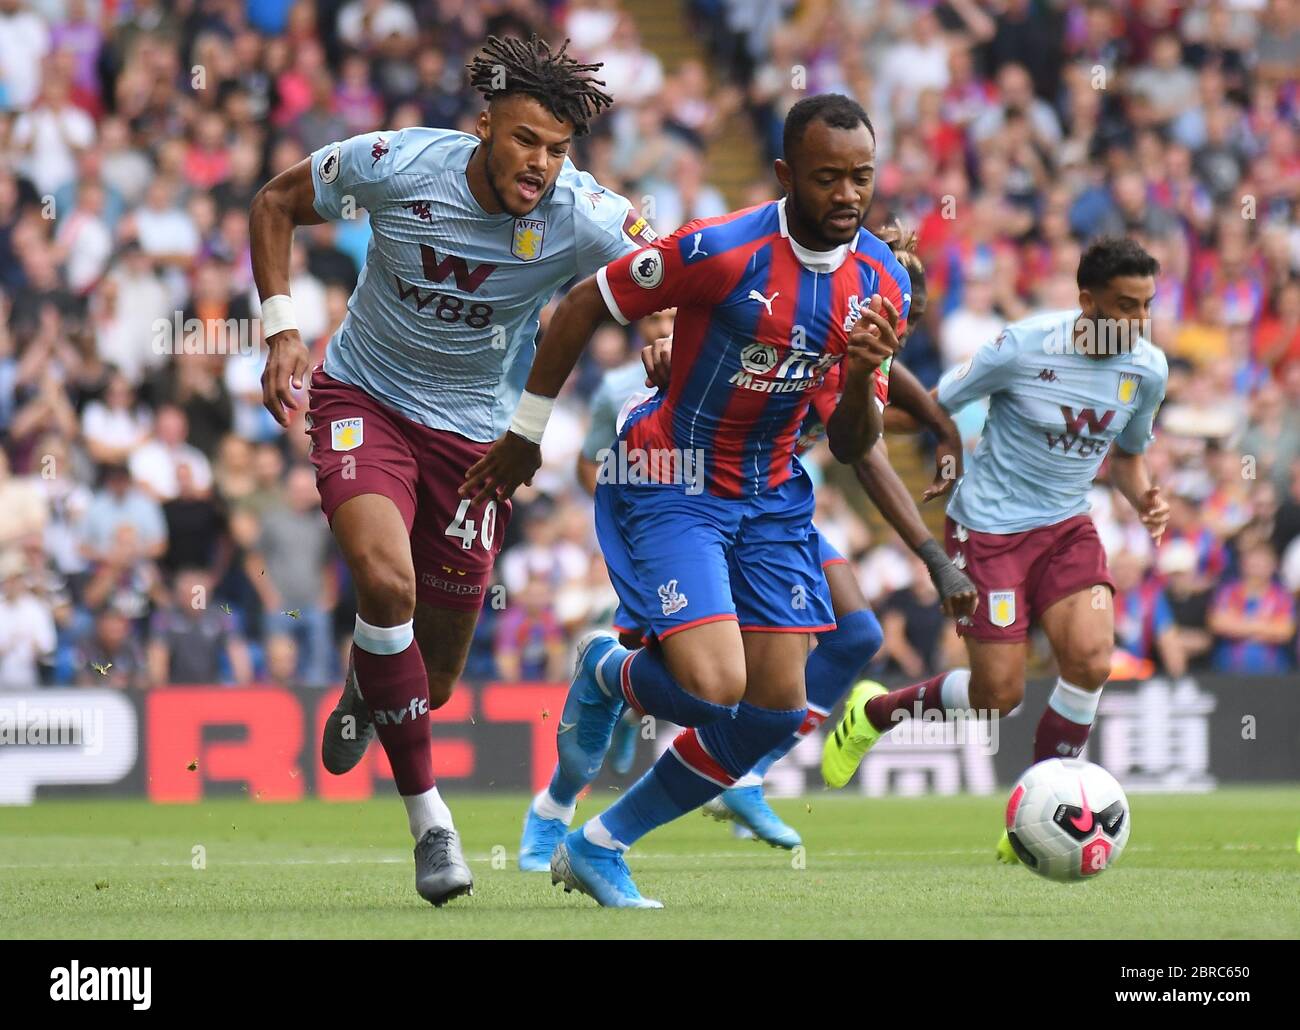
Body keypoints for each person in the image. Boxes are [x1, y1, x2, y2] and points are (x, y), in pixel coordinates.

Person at [467, 93, 909, 907]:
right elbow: (581, 305)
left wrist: (859, 377)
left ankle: (601, 844)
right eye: (826, 178)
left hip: (772, 496)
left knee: (776, 710)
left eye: (861, 177)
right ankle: (605, 668)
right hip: (671, 480)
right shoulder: (720, 249)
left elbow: (853, 444)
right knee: (714, 690)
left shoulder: (882, 279)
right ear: (784, 175)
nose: (847, 195)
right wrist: (528, 432)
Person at [249, 35, 656, 906]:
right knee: (385, 584)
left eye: (556, 151)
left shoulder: (583, 213)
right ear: (483, 127)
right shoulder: (399, 164)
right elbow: (277, 200)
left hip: (477, 441)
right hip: (365, 399)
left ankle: (369, 678)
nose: (540, 166)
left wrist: (657, 329)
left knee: (429, 683)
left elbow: (666, 269)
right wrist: (285, 326)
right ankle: (432, 825)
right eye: (524, 143)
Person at [513, 231, 976, 870]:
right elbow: (861, 454)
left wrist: (944, 425)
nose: (891, 346)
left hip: (764, 502)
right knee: (700, 687)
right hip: (670, 495)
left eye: (907, 327)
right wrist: (931, 552)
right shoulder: (734, 349)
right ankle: (557, 804)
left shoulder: (852, 354)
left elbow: (891, 397)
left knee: (853, 635)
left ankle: (746, 771)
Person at [819, 236, 1171, 866]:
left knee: (1091, 661)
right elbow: (932, 407)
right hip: (987, 532)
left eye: (1147, 306)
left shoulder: (1147, 369)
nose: (1139, 322)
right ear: (1087, 302)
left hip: (1068, 527)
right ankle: (874, 711)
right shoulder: (1023, 346)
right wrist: (844, 413)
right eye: (1125, 307)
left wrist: (1145, 498)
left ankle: (1035, 818)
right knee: (998, 695)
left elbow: (1128, 457)